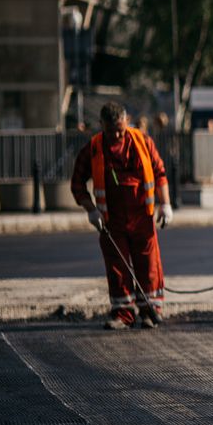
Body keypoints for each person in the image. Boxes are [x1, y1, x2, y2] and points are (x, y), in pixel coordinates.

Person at [71, 102, 173, 329]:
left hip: (142, 218)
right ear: (101, 125)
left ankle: (150, 311)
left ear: (126, 122)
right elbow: (77, 183)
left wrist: (165, 204)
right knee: (118, 268)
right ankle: (123, 314)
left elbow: (159, 173)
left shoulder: (142, 142)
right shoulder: (94, 148)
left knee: (148, 265)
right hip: (111, 221)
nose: (116, 135)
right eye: (111, 131)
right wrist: (91, 210)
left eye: (120, 130)